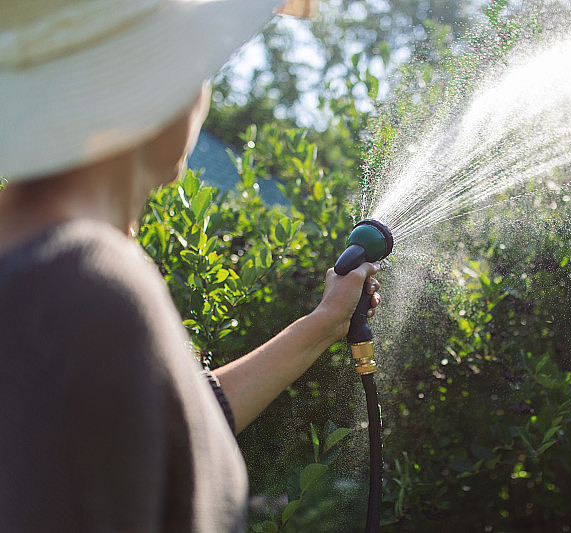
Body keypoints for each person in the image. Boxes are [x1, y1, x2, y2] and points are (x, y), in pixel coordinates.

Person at [0, 0, 380, 530]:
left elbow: (169, 432)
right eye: (196, 69)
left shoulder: (47, 269)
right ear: (155, 90)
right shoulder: (83, 282)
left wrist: (323, 325)